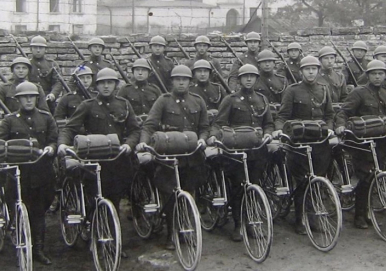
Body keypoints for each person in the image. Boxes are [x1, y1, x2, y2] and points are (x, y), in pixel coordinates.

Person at [136, 65, 209, 249]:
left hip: (191, 155)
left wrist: (202, 139)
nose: (181, 82)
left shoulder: (198, 101)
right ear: (172, 82)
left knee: (189, 192)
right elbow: (149, 125)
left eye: (185, 79)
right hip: (168, 155)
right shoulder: (163, 100)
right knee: (169, 195)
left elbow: (204, 127)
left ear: (190, 82)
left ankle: (187, 227)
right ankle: (171, 233)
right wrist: (144, 143)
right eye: (177, 79)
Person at [58, 68, 140, 219]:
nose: (106, 86)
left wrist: (128, 144)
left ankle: (111, 231)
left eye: (110, 83)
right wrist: (62, 144)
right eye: (102, 83)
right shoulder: (88, 105)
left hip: (117, 159)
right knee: (93, 197)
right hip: (93, 158)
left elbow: (135, 130)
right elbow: (69, 128)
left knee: (115, 197)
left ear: (116, 85)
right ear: (96, 86)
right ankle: (92, 225)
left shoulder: (124, 104)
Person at [0, 82, 58, 265]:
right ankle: (19, 232)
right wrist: (5, 152)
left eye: (32, 96)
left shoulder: (46, 118)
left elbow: (54, 139)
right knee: (15, 205)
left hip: (41, 172)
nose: (28, 100)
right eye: (24, 97)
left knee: (39, 211)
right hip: (17, 173)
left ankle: (38, 249)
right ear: (18, 99)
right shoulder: (9, 120)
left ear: (37, 98)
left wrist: (50, 149)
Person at [208, 64, 274, 241]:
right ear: (239, 80)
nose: (249, 79)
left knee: (255, 186)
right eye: (245, 76)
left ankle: (252, 223)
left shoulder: (262, 99)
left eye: (252, 76)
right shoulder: (231, 99)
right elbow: (218, 123)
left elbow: (268, 123)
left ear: (256, 79)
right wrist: (214, 137)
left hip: (257, 150)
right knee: (238, 188)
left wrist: (268, 134)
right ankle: (238, 225)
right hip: (235, 150)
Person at [273, 55, 335, 234]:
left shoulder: (324, 89)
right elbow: (283, 115)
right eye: (307, 69)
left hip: (319, 143)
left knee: (317, 180)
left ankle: (313, 217)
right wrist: (279, 130)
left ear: (318, 71)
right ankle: (299, 219)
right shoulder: (292, 91)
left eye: (314, 69)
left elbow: (329, 115)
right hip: (299, 143)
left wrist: (330, 129)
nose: (310, 72)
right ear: (301, 72)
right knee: (301, 182)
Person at [335, 59, 386, 229]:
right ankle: (359, 215)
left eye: (380, 74)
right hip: (361, 142)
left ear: (385, 75)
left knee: (377, 175)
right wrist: (340, 126)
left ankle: (369, 210)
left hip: (380, 141)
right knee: (366, 177)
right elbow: (344, 112)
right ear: (368, 75)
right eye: (374, 74)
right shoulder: (359, 93)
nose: (377, 77)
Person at [0, 57, 49, 122]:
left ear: (29, 70)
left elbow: (44, 110)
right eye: (17, 68)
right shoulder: (4, 88)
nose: (21, 70)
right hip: (10, 123)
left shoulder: (37, 88)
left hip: (32, 122)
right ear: (13, 70)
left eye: (24, 68)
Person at [27, 35, 63, 112]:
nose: (38, 50)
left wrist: (53, 94)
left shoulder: (52, 64)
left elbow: (58, 82)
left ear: (45, 49)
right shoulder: (26, 64)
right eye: (35, 48)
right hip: (29, 99)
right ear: (31, 49)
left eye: (41, 48)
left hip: (47, 100)